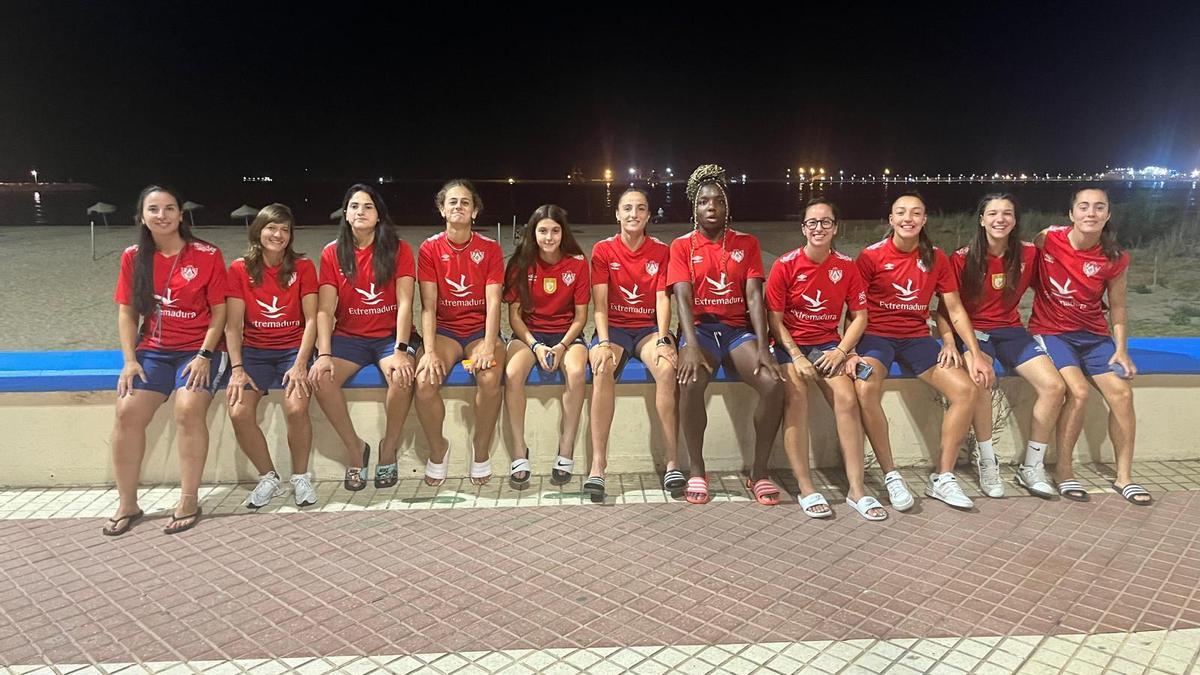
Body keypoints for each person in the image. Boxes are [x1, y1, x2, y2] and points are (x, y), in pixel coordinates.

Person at [854, 193, 995, 510]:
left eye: (915, 213)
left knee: (966, 390)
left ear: (924, 219)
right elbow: (853, 309)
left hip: (917, 338)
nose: (908, 218)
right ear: (891, 219)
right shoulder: (871, 256)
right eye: (901, 213)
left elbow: (954, 309)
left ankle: (943, 478)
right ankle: (891, 475)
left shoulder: (935, 257)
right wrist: (848, 350)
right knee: (864, 388)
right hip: (876, 338)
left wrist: (971, 350)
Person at [105, 185, 228, 535]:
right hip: (154, 350)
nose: (162, 216)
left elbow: (219, 312)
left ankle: (189, 499)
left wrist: (205, 354)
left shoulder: (206, 254)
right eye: (154, 209)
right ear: (142, 217)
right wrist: (130, 360)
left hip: (200, 350)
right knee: (127, 411)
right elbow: (127, 313)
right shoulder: (133, 256)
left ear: (180, 213)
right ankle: (128, 502)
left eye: (169, 208)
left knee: (187, 409)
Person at [667, 164, 784, 506]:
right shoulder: (682, 246)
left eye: (718, 201)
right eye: (704, 201)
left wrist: (764, 348)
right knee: (688, 382)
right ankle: (698, 471)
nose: (711, 207)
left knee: (774, 384)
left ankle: (759, 473)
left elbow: (753, 298)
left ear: (727, 206)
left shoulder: (746, 244)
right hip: (701, 330)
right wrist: (687, 346)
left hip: (735, 332)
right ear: (695, 207)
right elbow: (683, 299)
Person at [766, 198, 887, 520]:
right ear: (803, 228)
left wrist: (842, 351)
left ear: (835, 227)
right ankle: (806, 487)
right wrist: (795, 355)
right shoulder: (785, 265)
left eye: (826, 222)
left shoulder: (846, 267)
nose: (818, 228)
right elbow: (774, 320)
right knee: (796, 396)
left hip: (828, 344)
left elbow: (859, 316)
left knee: (847, 400)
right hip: (790, 345)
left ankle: (857, 489)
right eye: (812, 223)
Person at [939, 194, 1065, 500]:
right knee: (982, 379)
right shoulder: (962, 258)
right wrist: (951, 343)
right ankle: (987, 459)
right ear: (981, 219)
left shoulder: (1028, 254)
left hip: (1011, 331)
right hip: (973, 333)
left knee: (1054, 386)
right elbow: (946, 310)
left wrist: (1054, 232)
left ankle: (1031, 467)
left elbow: (1058, 247)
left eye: (1007, 213)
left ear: (1015, 219)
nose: (1000, 219)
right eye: (992, 213)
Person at [1029, 187, 1149, 505]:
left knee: (1123, 393)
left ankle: (1125, 477)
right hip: (1052, 332)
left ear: (1107, 215)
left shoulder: (1115, 257)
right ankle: (1064, 472)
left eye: (1099, 207)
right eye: (1084, 207)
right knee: (1078, 393)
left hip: (1095, 337)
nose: (1091, 213)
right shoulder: (1048, 238)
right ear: (1072, 213)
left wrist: (1121, 348)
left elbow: (1119, 307)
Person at [309, 183, 417, 491]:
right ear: (345, 213)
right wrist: (325, 354)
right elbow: (325, 310)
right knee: (322, 379)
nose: (361, 212)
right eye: (355, 206)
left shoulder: (398, 249)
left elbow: (406, 303)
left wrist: (400, 349)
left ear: (379, 215)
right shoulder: (332, 252)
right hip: (349, 337)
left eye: (368, 207)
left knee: (401, 376)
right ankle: (356, 449)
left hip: (388, 337)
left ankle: (388, 448)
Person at [224, 204, 320, 508]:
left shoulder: (303, 267)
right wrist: (237, 368)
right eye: (271, 227)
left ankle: (301, 476)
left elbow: (313, 320)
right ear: (259, 231)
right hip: (255, 352)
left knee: (296, 408)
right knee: (239, 411)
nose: (278, 234)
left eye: (284, 229)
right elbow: (233, 324)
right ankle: (269, 477)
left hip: (294, 348)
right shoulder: (240, 268)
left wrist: (301, 363)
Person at [586, 187, 679, 500]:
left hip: (648, 329)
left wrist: (665, 337)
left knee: (667, 369)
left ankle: (672, 463)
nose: (633, 214)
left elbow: (662, 298)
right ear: (617, 214)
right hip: (614, 327)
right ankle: (598, 465)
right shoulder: (603, 250)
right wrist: (602, 342)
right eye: (627, 208)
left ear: (648, 215)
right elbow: (599, 304)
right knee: (601, 368)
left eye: (640, 209)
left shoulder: (661, 251)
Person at [414, 180, 505, 486]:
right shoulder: (429, 248)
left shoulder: (490, 249)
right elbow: (428, 306)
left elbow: (494, 303)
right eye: (452, 202)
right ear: (442, 209)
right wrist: (428, 352)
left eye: (465, 202)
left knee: (490, 378)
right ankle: (438, 448)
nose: (458, 207)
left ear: (474, 211)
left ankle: (480, 449)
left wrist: (489, 346)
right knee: (425, 381)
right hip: (447, 333)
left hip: (480, 331)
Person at [502, 204, 591, 488]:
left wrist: (563, 346)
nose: (549, 237)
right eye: (543, 231)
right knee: (513, 374)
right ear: (533, 232)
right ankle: (519, 449)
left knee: (576, 373)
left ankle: (566, 448)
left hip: (567, 335)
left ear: (563, 232)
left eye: (555, 230)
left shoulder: (576, 262)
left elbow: (581, 318)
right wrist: (536, 345)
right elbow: (514, 315)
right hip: (529, 335)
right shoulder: (520, 263)